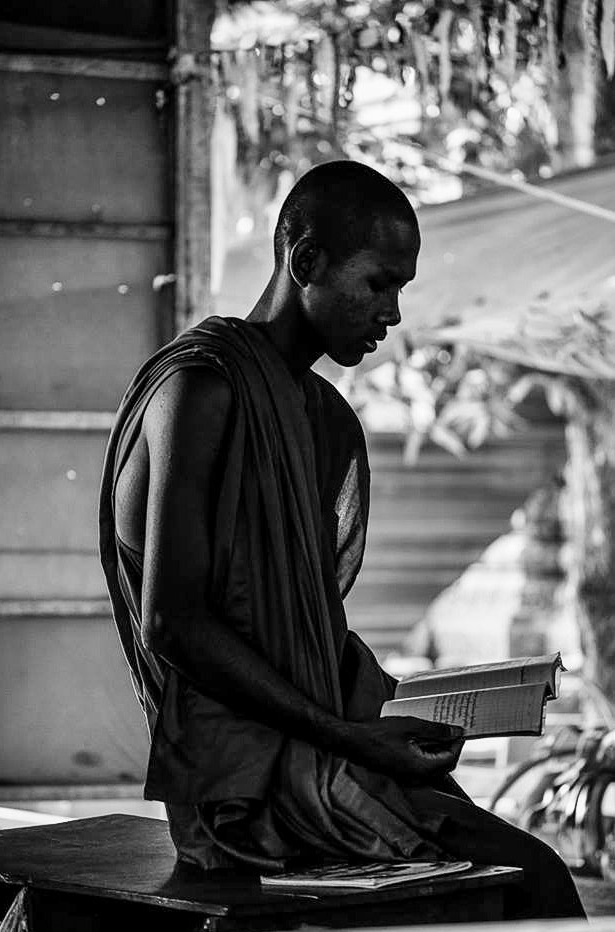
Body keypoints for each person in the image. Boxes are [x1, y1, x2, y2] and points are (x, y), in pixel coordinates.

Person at [99, 160, 585, 920]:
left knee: (524, 876)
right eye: (379, 283)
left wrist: (412, 707)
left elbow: (305, 634)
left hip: (326, 744)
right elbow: (175, 623)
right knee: (530, 882)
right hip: (239, 782)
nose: (392, 313)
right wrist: (352, 737)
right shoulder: (199, 389)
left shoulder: (320, 416)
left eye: (401, 290)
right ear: (307, 263)